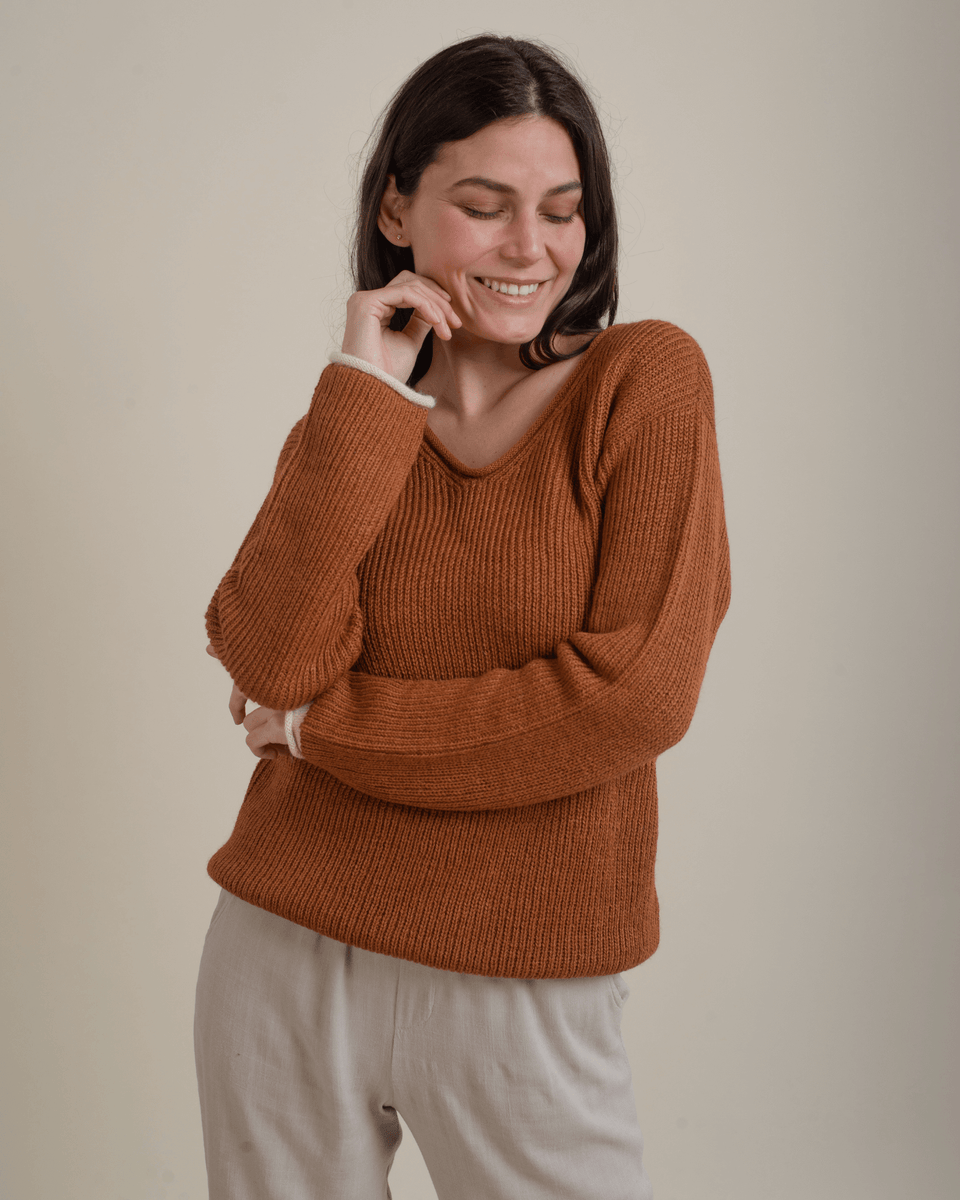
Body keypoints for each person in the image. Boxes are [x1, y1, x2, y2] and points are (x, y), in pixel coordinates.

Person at [195, 33, 730, 1200]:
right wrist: (364, 391)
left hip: (524, 969)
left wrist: (326, 732)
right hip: (283, 944)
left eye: (561, 210)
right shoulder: (352, 429)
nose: (530, 246)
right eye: (484, 207)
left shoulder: (644, 383)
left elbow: (630, 696)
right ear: (397, 207)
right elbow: (271, 657)